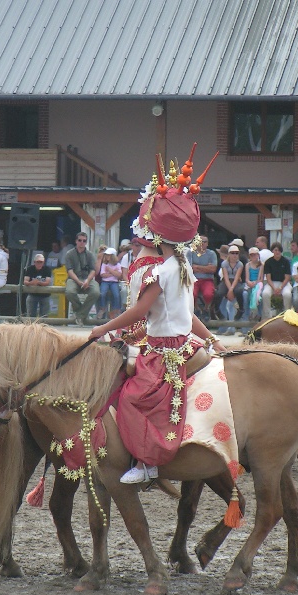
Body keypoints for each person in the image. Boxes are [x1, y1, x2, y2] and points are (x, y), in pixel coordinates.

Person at [89, 147, 224, 483]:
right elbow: (189, 316)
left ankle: (148, 463)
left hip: (164, 351)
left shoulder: (161, 271)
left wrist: (101, 328)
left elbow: (138, 311)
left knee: (134, 399)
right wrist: (212, 339)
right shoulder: (184, 267)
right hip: (186, 343)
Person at [64, 232, 100, 325]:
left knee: (96, 292)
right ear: (76, 241)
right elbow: (70, 271)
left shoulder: (90, 254)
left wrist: (87, 280)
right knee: (70, 292)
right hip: (73, 279)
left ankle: (79, 315)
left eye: (84, 241)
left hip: (87, 278)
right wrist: (79, 282)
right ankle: (81, 312)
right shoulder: (69, 254)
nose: (82, 242)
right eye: (80, 240)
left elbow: (93, 270)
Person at [186, 234, 217, 322]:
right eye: (200, 241)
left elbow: (213, 269)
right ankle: (197, 309)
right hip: (193, 278)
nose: (203, 243)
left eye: (205, 242)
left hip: (207, 279)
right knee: (192, 294)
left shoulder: (211, 254)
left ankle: (206, 309)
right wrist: (206, 268)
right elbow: (189, 268)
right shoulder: (190, 253)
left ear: (207, 244)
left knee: (208, 294)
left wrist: (197, 267)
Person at [261, 241, 292, 319]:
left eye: (279, 250)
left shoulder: (286, 261)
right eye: (275, 250)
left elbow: (287, 277)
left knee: (287, 294)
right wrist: (274, 288)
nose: (277, 252)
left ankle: (286, 315)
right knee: (265, 294)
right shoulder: (268, 262)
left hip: (284, 283)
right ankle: (267, 316)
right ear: (272, 251)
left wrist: (280, 288)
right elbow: (268, 278)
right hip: (272, 283)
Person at [214, 245, 245, 321]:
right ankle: (217, 310)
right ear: (229, 254)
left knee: (239, 291)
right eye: (232, 253)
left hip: (236, 281)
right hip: (226, 281)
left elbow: (237, 277)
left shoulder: (240, 264)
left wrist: (231, 289)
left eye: (236, 253)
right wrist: (230, 290)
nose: (234, 255)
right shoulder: (224, 263)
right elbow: (226, 277)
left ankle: (241, 309)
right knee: (219, 293)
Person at [240, 247, 263, 333]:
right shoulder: (247, 265)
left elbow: (260, 278)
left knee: (260, 298)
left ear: (258, 255)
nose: (254, 256)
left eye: (255, 254)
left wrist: (255, 283)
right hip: (249, 284)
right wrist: (250, 283)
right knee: (245, 296)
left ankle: (259, 320)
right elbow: (246, 278)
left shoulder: (261, 265)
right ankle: (245, 327)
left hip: (258, 285)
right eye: (252, 255)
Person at [24, 253, 52, 318]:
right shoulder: (30, 269)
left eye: (41, 262)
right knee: (30, 315)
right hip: (32, 294)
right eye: (38, 262)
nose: (39, 264)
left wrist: (38, 282)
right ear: (34, 262)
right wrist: (32, 282)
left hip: (45, 295)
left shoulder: (47, 269)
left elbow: (47, 282)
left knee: (44, 316)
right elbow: (25, 281)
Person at [98, 247, 122, 319]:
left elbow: (119, 275)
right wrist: (113, 274)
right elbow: (102, 274)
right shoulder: (104, 264)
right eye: (106, 255)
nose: (107, 256)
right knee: (102, 293)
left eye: (109, 255)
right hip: (105, 282)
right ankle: (102, 308)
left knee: (116, 295)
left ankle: (116, 310)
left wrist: (109, 270)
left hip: (114, 282)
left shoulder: (117, 265)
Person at [119, 237, 141, 311]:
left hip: (140, 280)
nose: (138, 248)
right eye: (136, 246)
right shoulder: (126, 257)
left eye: (140, 246)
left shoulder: (143, 256)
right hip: (128, 280)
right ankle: (125, 308)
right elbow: (124, 274)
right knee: (125, 291)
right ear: (132, 246)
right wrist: (129, 282)